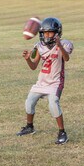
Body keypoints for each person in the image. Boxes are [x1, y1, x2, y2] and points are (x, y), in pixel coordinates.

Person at [17, 17, 74, 145]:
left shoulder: (65, 44)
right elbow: (33, 67)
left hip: (55, 82)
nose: (47, 36)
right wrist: (27, 59)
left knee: (53, 103)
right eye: (44, 33)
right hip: (41, 82)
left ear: (57, 33)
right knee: (29, 102)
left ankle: (62, 133)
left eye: (50, 33)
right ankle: (29, 127)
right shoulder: (39, 46)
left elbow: (66, 58)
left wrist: (59, 45)